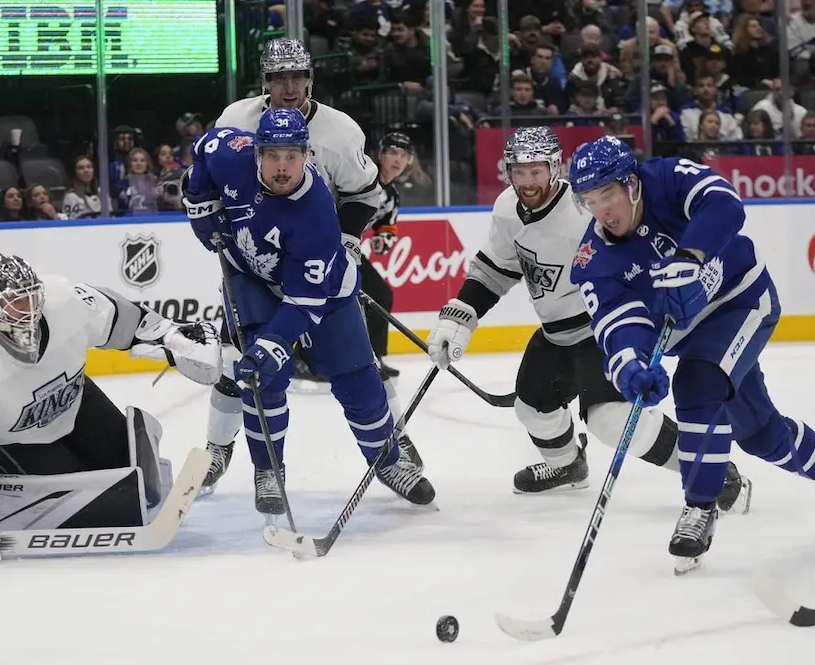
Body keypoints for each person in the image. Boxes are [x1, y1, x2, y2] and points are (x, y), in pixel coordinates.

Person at [425, 127, 749, 513]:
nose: (527, 182)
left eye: (536, 171)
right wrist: (460, 317)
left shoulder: (584, 210)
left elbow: (636, 252)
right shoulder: (507, 208)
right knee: (532, 409)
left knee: (612, 421)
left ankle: (711, 469)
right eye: (519, 171)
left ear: (554, 169)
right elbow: (495, 269)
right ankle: (568, 466)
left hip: (602, 328)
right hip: (556, 333)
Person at [566, 135, 815, 572]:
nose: (601, 210)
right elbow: (617, 324)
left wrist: (690, 256)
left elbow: (724, 205)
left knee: (697, 383)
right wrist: (631, 367)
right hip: (695, 338)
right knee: (759, 435)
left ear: (632, 184)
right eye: (589, 200)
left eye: (607, 194)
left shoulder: (666, 178)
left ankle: (700, 507)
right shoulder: (593, 261)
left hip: (742, 301)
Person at [183, 108, 435, 516]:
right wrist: (198, 200)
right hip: (251, 280)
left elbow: (304, 301)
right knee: (264, 381)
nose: (282, 167)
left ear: (307, 155)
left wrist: (272, 345)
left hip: (322, 292)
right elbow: (204, 147)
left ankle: (387, 462)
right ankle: (268, 470)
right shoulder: (230, 152)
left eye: (292, 156)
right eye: (273, 156)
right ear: (256, 153)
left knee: (357, 377)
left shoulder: (315, 213)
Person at [0, 253, 223, 541]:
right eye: (15, 303)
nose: (28, 309)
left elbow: (120, 318)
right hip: (12, 440)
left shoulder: (64, 301)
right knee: (92, 502)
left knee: (132, 476)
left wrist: (173, 336)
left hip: (72, 404)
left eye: (32, 297)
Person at [362, 131, 413, 381]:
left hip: (347, 250)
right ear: (380, 155)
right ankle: (302, 357)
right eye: (392, 152)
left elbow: (387, 229)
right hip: (326, 244)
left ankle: (374, 356)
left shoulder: (392, 196)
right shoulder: (362, 178)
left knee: (380, 295)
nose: (398, 159)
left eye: (403, 155)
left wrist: (382, 241)